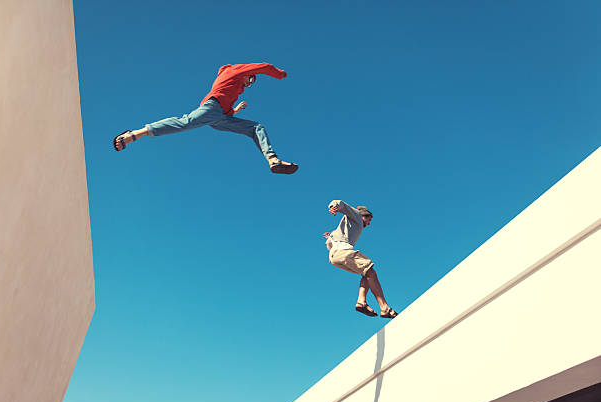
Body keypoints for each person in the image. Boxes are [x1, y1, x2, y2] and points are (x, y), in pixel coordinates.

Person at [112, 62, 298, 174]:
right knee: (185, 122)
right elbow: (263, 67)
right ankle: (135, 133)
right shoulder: (234, 71)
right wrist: (279, 74)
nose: (248, 84)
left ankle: (273, 160)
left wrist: (234, 110)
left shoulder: (233, 89)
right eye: (250, 80)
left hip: (218, 117)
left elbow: (223, 114)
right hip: (211, 109)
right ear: (246, 75)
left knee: (256, 127)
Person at [324, 200, 398, 318]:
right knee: (370, 271)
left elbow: (330, 242)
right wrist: (334, 206)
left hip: (334, 257)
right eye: (369, 220)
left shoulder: (346, 227)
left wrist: (330, 236)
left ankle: (361, 302)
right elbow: (341, 204)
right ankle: (385, 308)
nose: (369, 224)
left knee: (366, 274)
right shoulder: (357, 215)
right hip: (343, 251)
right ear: (365, 215)